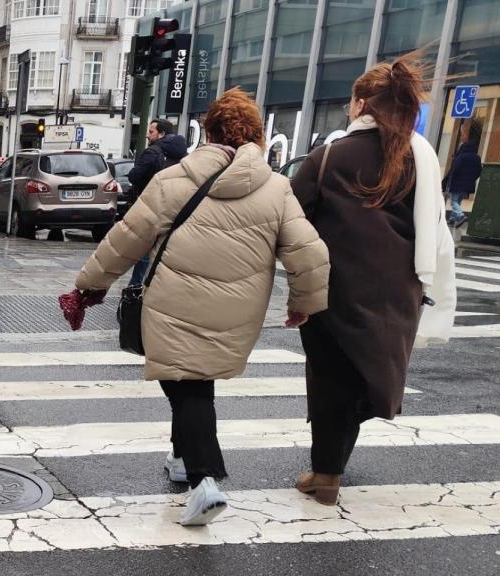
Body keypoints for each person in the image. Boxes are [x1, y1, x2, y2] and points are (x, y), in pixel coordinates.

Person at [72, 89, 330, 526]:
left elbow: (125, 240)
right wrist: (303, 304)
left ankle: (204, 481)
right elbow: (309, 254)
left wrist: (87, 286)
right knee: (194, 378)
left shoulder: (174, 180)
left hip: (174, 303)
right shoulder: (276, 188)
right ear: (256, 136)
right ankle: (179, 457)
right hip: (237, 309)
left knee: (187, 385)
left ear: (208, 132)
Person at [290, 53, 456, 506]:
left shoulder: (328, 158)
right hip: (398, 294)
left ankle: (326, 473)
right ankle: (330, 468)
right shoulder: (418, 160)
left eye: (351, 100)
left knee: (330, 383)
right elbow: (435, 230)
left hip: (333, 294)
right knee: (369, 378)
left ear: (363, 103)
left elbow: (288, 221)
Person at [125, 119, 189, 286]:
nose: (147, 135)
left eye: (151, 131)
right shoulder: (184, 155)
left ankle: (136, 287)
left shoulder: (153, 152)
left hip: (153, 205)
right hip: (177, 207)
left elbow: (134, 176)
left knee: (145, 250)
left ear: (162, 134)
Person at [444, 123, 483, 227]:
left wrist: (449, 178)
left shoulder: (461, 157)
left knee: (453, 202)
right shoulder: (476, 157)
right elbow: (479, 171)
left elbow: (454, 169)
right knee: (458, 201)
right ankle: (452, 219)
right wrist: (470, 179)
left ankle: (460, 216)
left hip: (457, 183)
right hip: (467, 186)